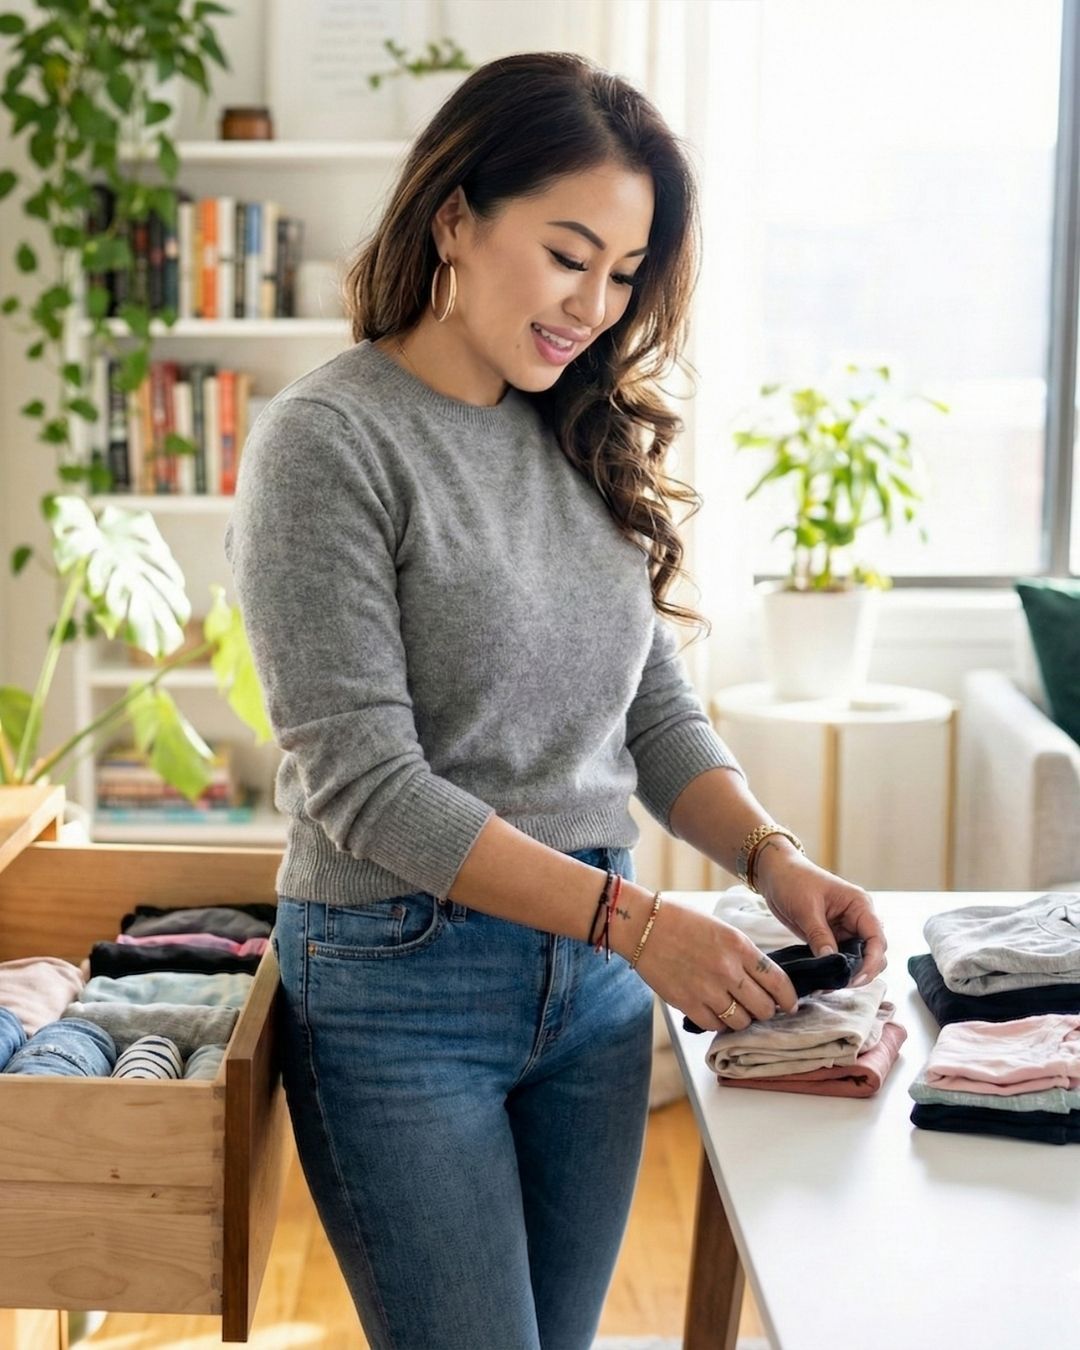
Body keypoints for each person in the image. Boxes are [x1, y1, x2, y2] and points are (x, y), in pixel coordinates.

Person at [225, 50, 887, 1350]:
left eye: (625, 272)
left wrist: (771, 852)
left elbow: (645, 705)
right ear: (456, 217)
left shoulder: (580, 432)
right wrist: (637, 919)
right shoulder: (329, 441)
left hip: (592, 993)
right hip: (399, 984)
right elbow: (365, 782)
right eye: (568, 252)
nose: (594, 303)